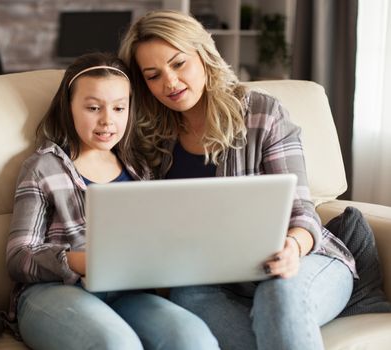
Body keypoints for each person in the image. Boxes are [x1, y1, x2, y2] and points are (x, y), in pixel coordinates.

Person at [119, 10, 358, 350]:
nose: (169, 83)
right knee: (190, 302)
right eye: (153, 75)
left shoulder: (262, 112)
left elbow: (302, 210)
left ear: (204, 56)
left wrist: (293, 246)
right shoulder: (148, 138)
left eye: (178, 63)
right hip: (206, 281)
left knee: (277, 294)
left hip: (299, 261)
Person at [5, 52, 218, 350]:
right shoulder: (43, 168)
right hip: (52, 292)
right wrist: (80, 261)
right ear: (69, 108)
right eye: (93, 108)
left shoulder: (140, 169)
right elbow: (17, 258)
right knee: (116, 344)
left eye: (119, 108)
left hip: (128, 293)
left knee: (194, 339)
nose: (108, 120)